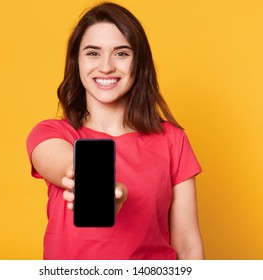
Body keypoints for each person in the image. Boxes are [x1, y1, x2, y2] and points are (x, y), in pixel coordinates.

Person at [26, 2, 204, 260]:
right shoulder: (52, 133)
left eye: (121, 53)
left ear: (138, 63)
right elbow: (64, 164)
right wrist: (105, 189)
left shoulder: (173, 140)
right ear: (76, 61)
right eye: (93, 53)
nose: (106, 66)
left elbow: (188, 246)